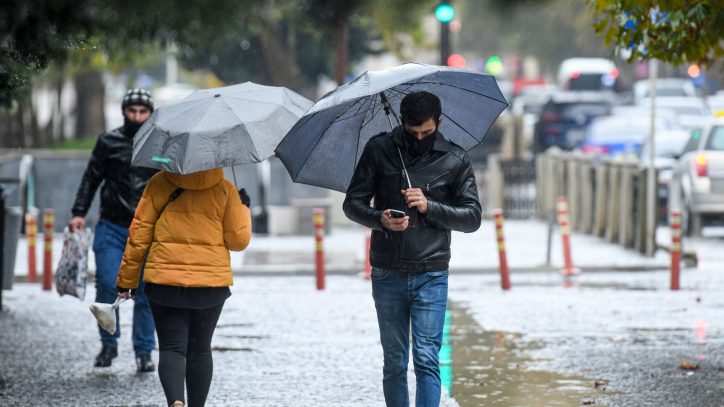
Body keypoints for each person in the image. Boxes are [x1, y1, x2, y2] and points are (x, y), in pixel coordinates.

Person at [343, 91, 482, 406]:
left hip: (431, 272)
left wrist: (429, 206)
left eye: (427, 133)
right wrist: (380, 219)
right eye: (413, 132)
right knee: (394, 361)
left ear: (439, 122)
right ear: (403, 123)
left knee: (426, 358)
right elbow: (352, 204)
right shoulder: (380, 149)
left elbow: (472, 217)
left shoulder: (455, 158)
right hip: (387, 270)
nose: (419, 138)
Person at [116, 168, 251, 407]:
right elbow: (238, 241)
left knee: (171, 347)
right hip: (210, 282)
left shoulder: (159, 183)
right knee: (200, 349)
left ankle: (176, 402)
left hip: (165, 280)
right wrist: (243, 207)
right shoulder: (225, 189)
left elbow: (139, 235)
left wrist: (127, 280)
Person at [69, 88, 159, 371]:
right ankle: (108, 344)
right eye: (132, 111)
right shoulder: (108, 142)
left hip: (147, 228)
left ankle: (144, 352)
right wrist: (79, 212)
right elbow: (91, 177)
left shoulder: (159, 143)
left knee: (146, 291)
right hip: (112, 224)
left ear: (150, 114)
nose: (137, 116)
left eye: (142, 112)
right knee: (107, 282)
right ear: (123, 111)